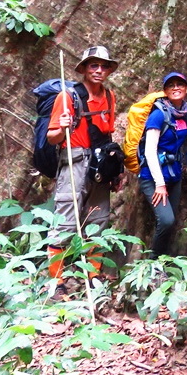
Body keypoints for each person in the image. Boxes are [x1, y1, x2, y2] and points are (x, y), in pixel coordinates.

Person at [45, 45, 119, 282]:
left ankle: (91, 277)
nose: (98, 70)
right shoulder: (67, 97)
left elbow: (108, 134)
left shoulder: (109, 96)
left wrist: (114, 171)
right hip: (75, 162)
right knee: (66, 221)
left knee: (98, 220)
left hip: (100, 164)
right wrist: (63, 128)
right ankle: (57, 282)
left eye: (103, 66)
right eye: (93, 65)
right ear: (85, 69)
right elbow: (51, 137)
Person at [138, 71, 187, 258]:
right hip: (152, 178)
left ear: (186, 88)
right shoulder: (158, 115)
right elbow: (149, 151)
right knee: (166, 220)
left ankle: (163, 261)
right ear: (165, 91)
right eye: (171, 85)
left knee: (171, 222)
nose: (176, 88)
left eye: (180, 85)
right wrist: (159, 183)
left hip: (174, 175)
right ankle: (152, 264)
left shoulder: (182, 112)